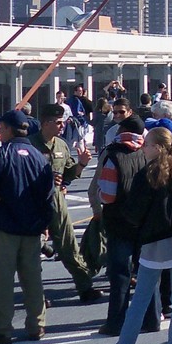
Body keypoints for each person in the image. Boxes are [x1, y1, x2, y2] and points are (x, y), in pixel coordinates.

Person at [109, 126, 172, 344]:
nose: (143, 148)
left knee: (140, 300)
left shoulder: (147, 175)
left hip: (153, 245)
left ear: (158, 148)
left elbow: (133, 212)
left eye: (148, 144)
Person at [0, 110, 55, 344]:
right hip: (32, 228)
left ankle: (1, 329)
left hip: (5, 226)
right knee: (33, 278)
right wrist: (43, 222)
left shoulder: (1, 154)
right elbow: (49, 194)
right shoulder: (39, 157)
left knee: (1, 280)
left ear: (8, 129)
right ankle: (37, 325)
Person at [28, 103, 104, 303]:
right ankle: (36, 296)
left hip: (56, 202)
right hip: (33, 203)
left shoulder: (61, 145)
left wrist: (81, 164)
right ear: (46, 123)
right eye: (58, 123)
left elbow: (70, 173)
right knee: (32, 252)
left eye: (63, 122)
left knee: (69, 246)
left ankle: (85, 287)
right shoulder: (30, 145)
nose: (62, 126)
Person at [96, 113, 158, 336]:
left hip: (119, 222)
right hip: (144, 222)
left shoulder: (114, 155)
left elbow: (108, 195)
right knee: (147, 272)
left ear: (122, 131)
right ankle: (152, 319)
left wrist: (101, 195)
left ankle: (116, 322)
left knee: (120, 275)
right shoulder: (147, 154)